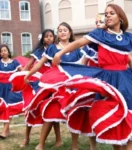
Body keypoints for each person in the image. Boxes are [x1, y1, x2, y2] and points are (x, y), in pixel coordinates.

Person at [50, 4, 132, 150]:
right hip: (107, 82)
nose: (107, 16)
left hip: (125, 81)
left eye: (112, 13)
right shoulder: (100, 34)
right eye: (106, 13)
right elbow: (78, 43)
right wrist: (59, 54)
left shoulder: (129, 38)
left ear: (121, 18)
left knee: (128, 118)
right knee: (112, 117)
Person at [22, 22, 84, 150]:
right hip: (55, 85)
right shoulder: (52, 48)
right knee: (50, 111)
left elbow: (83, 66)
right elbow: (39, 64)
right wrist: (28, 75)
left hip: (72, 84)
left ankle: (74, 146)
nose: (62, 32)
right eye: (60, 30)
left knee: (74, 113)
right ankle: (41, 144)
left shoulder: (76, 49)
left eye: (65, 30)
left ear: (70, 32)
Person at [19, 29, 59, 148]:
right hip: (37, 83)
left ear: (54, 38)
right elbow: (28, 65)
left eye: (51, 36)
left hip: (51, 83)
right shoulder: (39, 51)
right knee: (32, 109)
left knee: (52, 110)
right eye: (46, 36)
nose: (48, 38)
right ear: (43, 38)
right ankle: (26, 137)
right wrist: (24, 75)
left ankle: (58, 139)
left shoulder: (56, 50)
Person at [0, 44, 23, 139]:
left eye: (5, 50)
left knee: (9, 108)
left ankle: (4, 131)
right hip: (1, 89)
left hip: (11, 88)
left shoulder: (15, 62)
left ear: (8, 52)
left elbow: (22, 72)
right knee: (3, 108)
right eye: (1, 51)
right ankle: (7, 130)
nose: (3, 52)